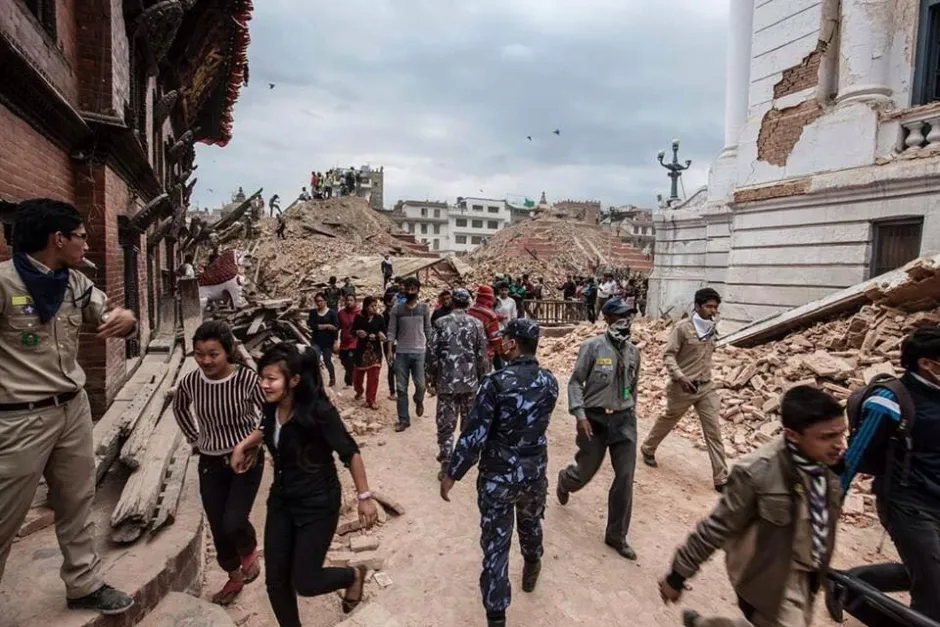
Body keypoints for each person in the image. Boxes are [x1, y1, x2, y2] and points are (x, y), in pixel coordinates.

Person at [0, 198, 137, 614]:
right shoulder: (5, 283)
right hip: (20, 417)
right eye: (79, 236)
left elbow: (111, 313)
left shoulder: (74, 283)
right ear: (57, 239)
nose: (85, 244)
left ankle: (83, 583)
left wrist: (125, 319)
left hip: (72, 410)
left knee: (77, 500)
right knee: (5, 512)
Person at [659, 385, 847, 627]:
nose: (840, 444)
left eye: (841, 433)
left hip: (809, 574)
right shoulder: (757, 472)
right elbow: (716, 527)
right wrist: (677, 576)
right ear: (793, 435)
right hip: (768, 578)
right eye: (827, 437)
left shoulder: (827, 462)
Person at [230, 343, 379, 626]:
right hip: (282, 500)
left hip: (318, 503)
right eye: (262, 377)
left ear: (294, 380)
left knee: (306, 582)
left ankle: (353, 575)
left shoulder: (319, 412)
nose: (264, 384)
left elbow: (350, 452)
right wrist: (244, 445)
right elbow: (266, 429)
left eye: (271, 379)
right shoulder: (270, 407)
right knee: (275, 581)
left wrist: (364, 497)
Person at [440, 319, 559, 627]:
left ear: (513, 343)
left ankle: (496, 617)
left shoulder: (495, 383)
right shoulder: (549, 381)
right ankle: (532, 563)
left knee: (496, 545)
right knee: (531, 524)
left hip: (498, 478)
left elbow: (474, 435)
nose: (500, 343)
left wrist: (452, 473)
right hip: (534, 474)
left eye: (504, 338)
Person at [828, 326, 940, 624]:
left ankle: (849, 583)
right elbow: (854, 455)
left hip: (935, 500)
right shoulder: (889, 400)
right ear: (926, 363)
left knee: (925, 572)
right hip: (906, 504)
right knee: (933, 595)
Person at [172, 321, 265, 605]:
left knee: (233, 520)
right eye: (199, 354)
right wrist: (194, 439)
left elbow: (271, 413)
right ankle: (234, 577)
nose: (206, 361)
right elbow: (179, 407)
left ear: (228, 351)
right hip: (210, 462)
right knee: (217, 525)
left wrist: (252, 443)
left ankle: (249, 550)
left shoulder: (246, 379)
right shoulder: (191, 382)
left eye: (213, 354)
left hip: (246, 460)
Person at [557, 298, 641, 560]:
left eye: (629, 316)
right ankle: (566, 480)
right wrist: (580, 414)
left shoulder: (633, 353)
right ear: (607, 319)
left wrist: (630, 411)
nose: (625, 321)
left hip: (624, 421)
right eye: (619, 316)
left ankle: (616, 535)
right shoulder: (592, 347)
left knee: (625, 477)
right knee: (585, 472)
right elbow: (575, 383)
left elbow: (633, 386)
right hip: (594, 420)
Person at [641, 287, 729, 491]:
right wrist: (680, 377)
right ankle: (648, 447)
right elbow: (668, 355)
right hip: (683, 387)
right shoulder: (682, 328)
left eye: (715, 307)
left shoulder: (711, 328)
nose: (712, 310)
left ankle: (721, 478)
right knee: (669, 418)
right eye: (708, 306)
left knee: (713, 431)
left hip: (705, 387)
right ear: (697, 306)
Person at [428, 289, 489, 480]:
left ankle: (447, 460)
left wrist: (431, 377)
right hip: (470, 382)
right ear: (468, 303)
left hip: (446, 381)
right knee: (468, 422)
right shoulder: (477, 324)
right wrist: (483, 378)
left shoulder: (440, 323)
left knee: (446, 423)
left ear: (452, 302)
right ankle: (464, 458)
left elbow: (432, 353)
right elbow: (482, 355)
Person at [388, 277, 431, 432]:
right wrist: (389, 350)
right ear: (404, 290)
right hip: (401, 353)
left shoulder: (424, 308)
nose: (411, 291)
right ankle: (403, 420)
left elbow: (428, 329)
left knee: (421, 385)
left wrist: (431, 348)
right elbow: (391, 331)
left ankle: (418, 400)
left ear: (418, 290)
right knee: (401, 388)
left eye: (414, 288)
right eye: (408, 288)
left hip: (420, 352)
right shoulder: (397, 309)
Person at [351, 296, 386, 410]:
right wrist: (358, 332)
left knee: (373, 377)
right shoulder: (359, 318)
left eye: (376, 305)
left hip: (375, 351)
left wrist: (380, 335)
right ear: (366, 307)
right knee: (357, 378)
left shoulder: (379, 318)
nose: (375, 308)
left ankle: (371, 399)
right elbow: (352, 331)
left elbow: (384, 333)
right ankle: (359, 390)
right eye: (372, 306)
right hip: (361, 352)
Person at [308, 292, 340, 387]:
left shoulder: (332, 313)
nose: (319, 303)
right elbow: (312, 325)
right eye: (317, 301)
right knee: (315, 359)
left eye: (320, 301)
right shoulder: (313, 312)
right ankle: (316, 380)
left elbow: (335, 328)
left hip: (327, 341)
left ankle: (332, 377)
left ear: (325, 301)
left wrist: (335, 341)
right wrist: (326, 326)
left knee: (327, 361)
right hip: (316, 340)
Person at [468, 285, 503, 371]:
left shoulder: (469, 310)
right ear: (490, 297)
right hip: (484, 354)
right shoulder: (490, 316)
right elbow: (495, 339)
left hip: (469, 353)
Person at [336, 294, 360, 388]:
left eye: (351, 300)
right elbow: (337, 326)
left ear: (355, 301)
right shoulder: (341, 313)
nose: (349, 302)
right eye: (347, 300)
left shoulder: (359, 313)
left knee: (350, 361)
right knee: (343, 360)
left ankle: (349, 382)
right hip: (344, 342)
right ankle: (353, 377)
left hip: (355, 342)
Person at [381, 292, 398, 400]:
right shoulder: (384, 316)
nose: (395, 302)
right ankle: (392, 391)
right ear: (388, 302)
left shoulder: (398, 313)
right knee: (391, 367)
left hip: (399, 343)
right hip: (388, 344)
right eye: (393, 300)